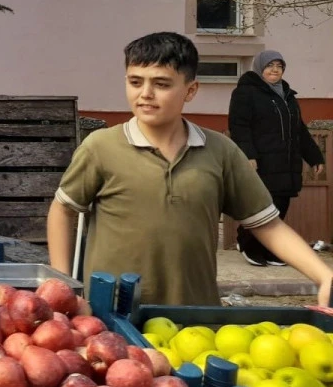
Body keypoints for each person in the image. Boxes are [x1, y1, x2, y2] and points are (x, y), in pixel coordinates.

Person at [46, 32, 333, 306]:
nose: (145, 94)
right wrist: (66, 287)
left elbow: (267, 224)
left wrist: (324, 276)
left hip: (195, 319)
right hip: (112, 320)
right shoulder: (101, 147)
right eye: (135, 82)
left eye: (161, 84)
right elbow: (63, 209)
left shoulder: (221, 152)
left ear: (191, 90)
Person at [229, 50, 326, 266]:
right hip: (262, 162)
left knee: (280, 206)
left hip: (287, 163)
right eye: (270, 65)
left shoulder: (288, 96)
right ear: (259, 68)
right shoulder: (246, 93)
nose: (274, 70)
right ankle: (247, 243)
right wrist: (249, 155)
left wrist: (315, 157)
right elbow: (239, 126)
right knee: (262, 205)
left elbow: (299, 130)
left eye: (279, 66)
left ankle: (269, 248)